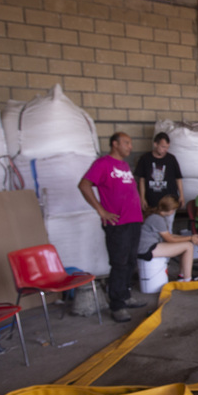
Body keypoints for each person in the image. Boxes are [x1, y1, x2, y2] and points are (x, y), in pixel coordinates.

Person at [79, 132, 147, 323]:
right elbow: (84, 185)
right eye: (126, 143)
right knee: (119, 263)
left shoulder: (124, 166)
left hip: (133, 220)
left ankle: (125, 296)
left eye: (131, 143)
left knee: (130, 261)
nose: (130, 147)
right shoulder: (102, 164)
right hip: (118, 224)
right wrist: (101, 210)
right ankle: (117, 305)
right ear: (114, 144)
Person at [138, 195, 198, 281]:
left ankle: (182, 276)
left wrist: (189, 237)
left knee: (185, 245)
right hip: (147, 249)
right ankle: (187, 279)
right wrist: (190, 238)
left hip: (147, 247)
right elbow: (169, 239)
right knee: (188, 246)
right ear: (171, 210)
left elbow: (169, 235)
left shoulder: (156, 215)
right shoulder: (158, 219)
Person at [134, 132, 184, 209]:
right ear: (155, 144)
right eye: (163, 147)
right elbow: (142, 180)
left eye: (167, 147)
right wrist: (142, 198)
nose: (165, 150)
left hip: (169, 202)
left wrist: (181, 196)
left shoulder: (171, 159)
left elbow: (178, 178)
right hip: (151, 202)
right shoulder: (145, 159)